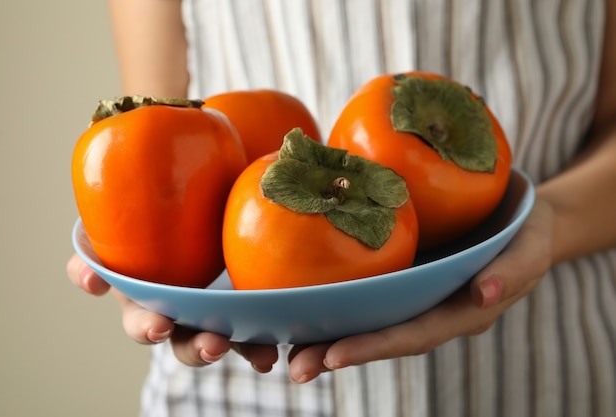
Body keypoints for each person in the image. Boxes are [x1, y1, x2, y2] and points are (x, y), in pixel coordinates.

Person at [67, 0, 616, 416]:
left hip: (542, 359)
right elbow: (152, 139)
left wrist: (553, 221)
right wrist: (140, 272)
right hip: (245, 382)